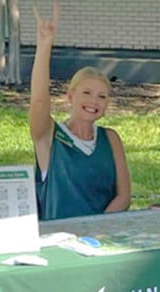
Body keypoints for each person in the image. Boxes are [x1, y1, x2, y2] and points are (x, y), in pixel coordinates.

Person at [30, 1, 131, 220]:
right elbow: (39, 101)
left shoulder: (110, 138)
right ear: (70, 96)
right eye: (86, 93)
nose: (94, 101)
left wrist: (97, 229)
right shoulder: (49, 136)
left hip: (102, 238)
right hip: (59, 241)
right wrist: (45, 45)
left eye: (102, 96)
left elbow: (123, 196)